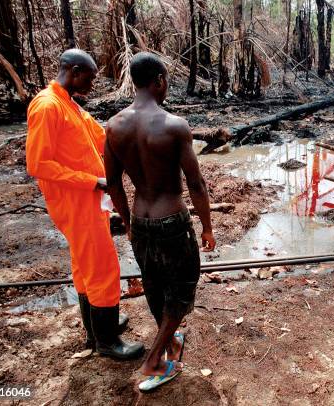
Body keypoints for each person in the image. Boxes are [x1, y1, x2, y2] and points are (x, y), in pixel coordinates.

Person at [104, 52, 216, 391]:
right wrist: (207, 227)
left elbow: (113, 184)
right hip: (172, 222)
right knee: (181, 291)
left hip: (140, 220)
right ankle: (155, 360)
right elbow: (196, 184)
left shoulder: (113, 126)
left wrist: (127, 222)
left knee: (154, 285)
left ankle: (170, 340)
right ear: (160, 81)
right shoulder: (173, 125)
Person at [25, 49, 144, 360]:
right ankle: (106, 342)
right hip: (75, 202)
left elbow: (102, 137)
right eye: (89, 78)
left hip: (90, 200)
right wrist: (92, 181)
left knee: (84, 264)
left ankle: (96, 328)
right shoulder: (47, 107)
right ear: (74, 71)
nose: (92, 85)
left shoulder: (70, 106)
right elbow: (38, 164)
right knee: (103, 265)